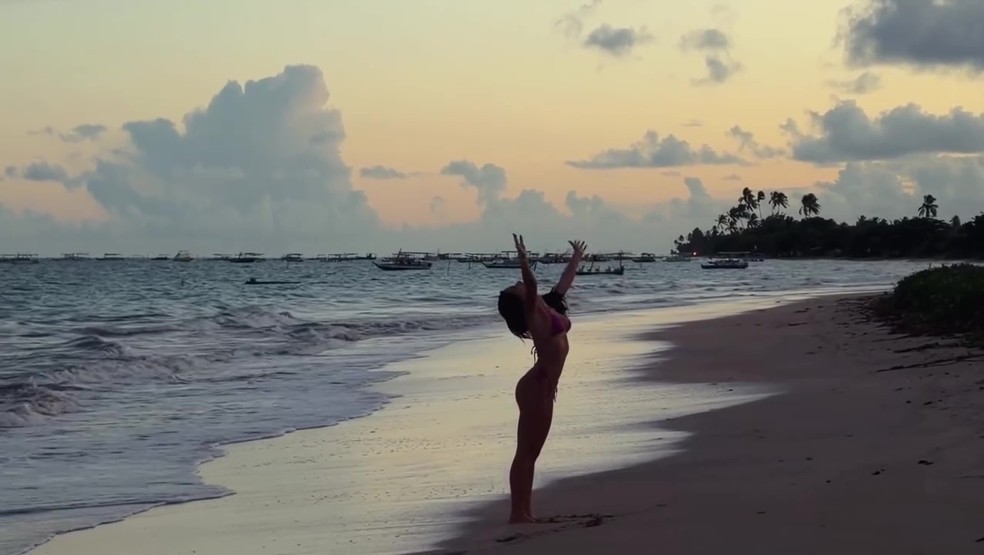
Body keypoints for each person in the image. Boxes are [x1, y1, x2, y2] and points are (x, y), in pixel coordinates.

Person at [497, 233, 586, 523]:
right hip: (536, 387)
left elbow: (563, 284)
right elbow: (532, 284)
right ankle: (516, 513)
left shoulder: (547, 306)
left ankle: (526, 511)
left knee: (532, 453)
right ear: (521, 301)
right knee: (525, 452)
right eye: (516, 286)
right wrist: (523, 260)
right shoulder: (534, 314)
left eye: (517, 281)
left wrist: (576, 258)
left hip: (545, 387)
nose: (519, 283)